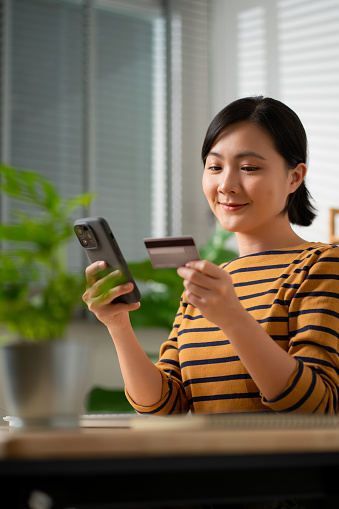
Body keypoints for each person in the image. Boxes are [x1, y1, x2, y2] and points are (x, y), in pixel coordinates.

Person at [83, 96, 339, 416]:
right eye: (215, 167)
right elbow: (164, 405)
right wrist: (118, 326)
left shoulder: (322, 267)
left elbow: (318, 408)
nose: (226, 185)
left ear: (294, 177)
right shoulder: (210, 285)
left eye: (249, 168)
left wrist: (233, 319)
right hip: (206, 463)